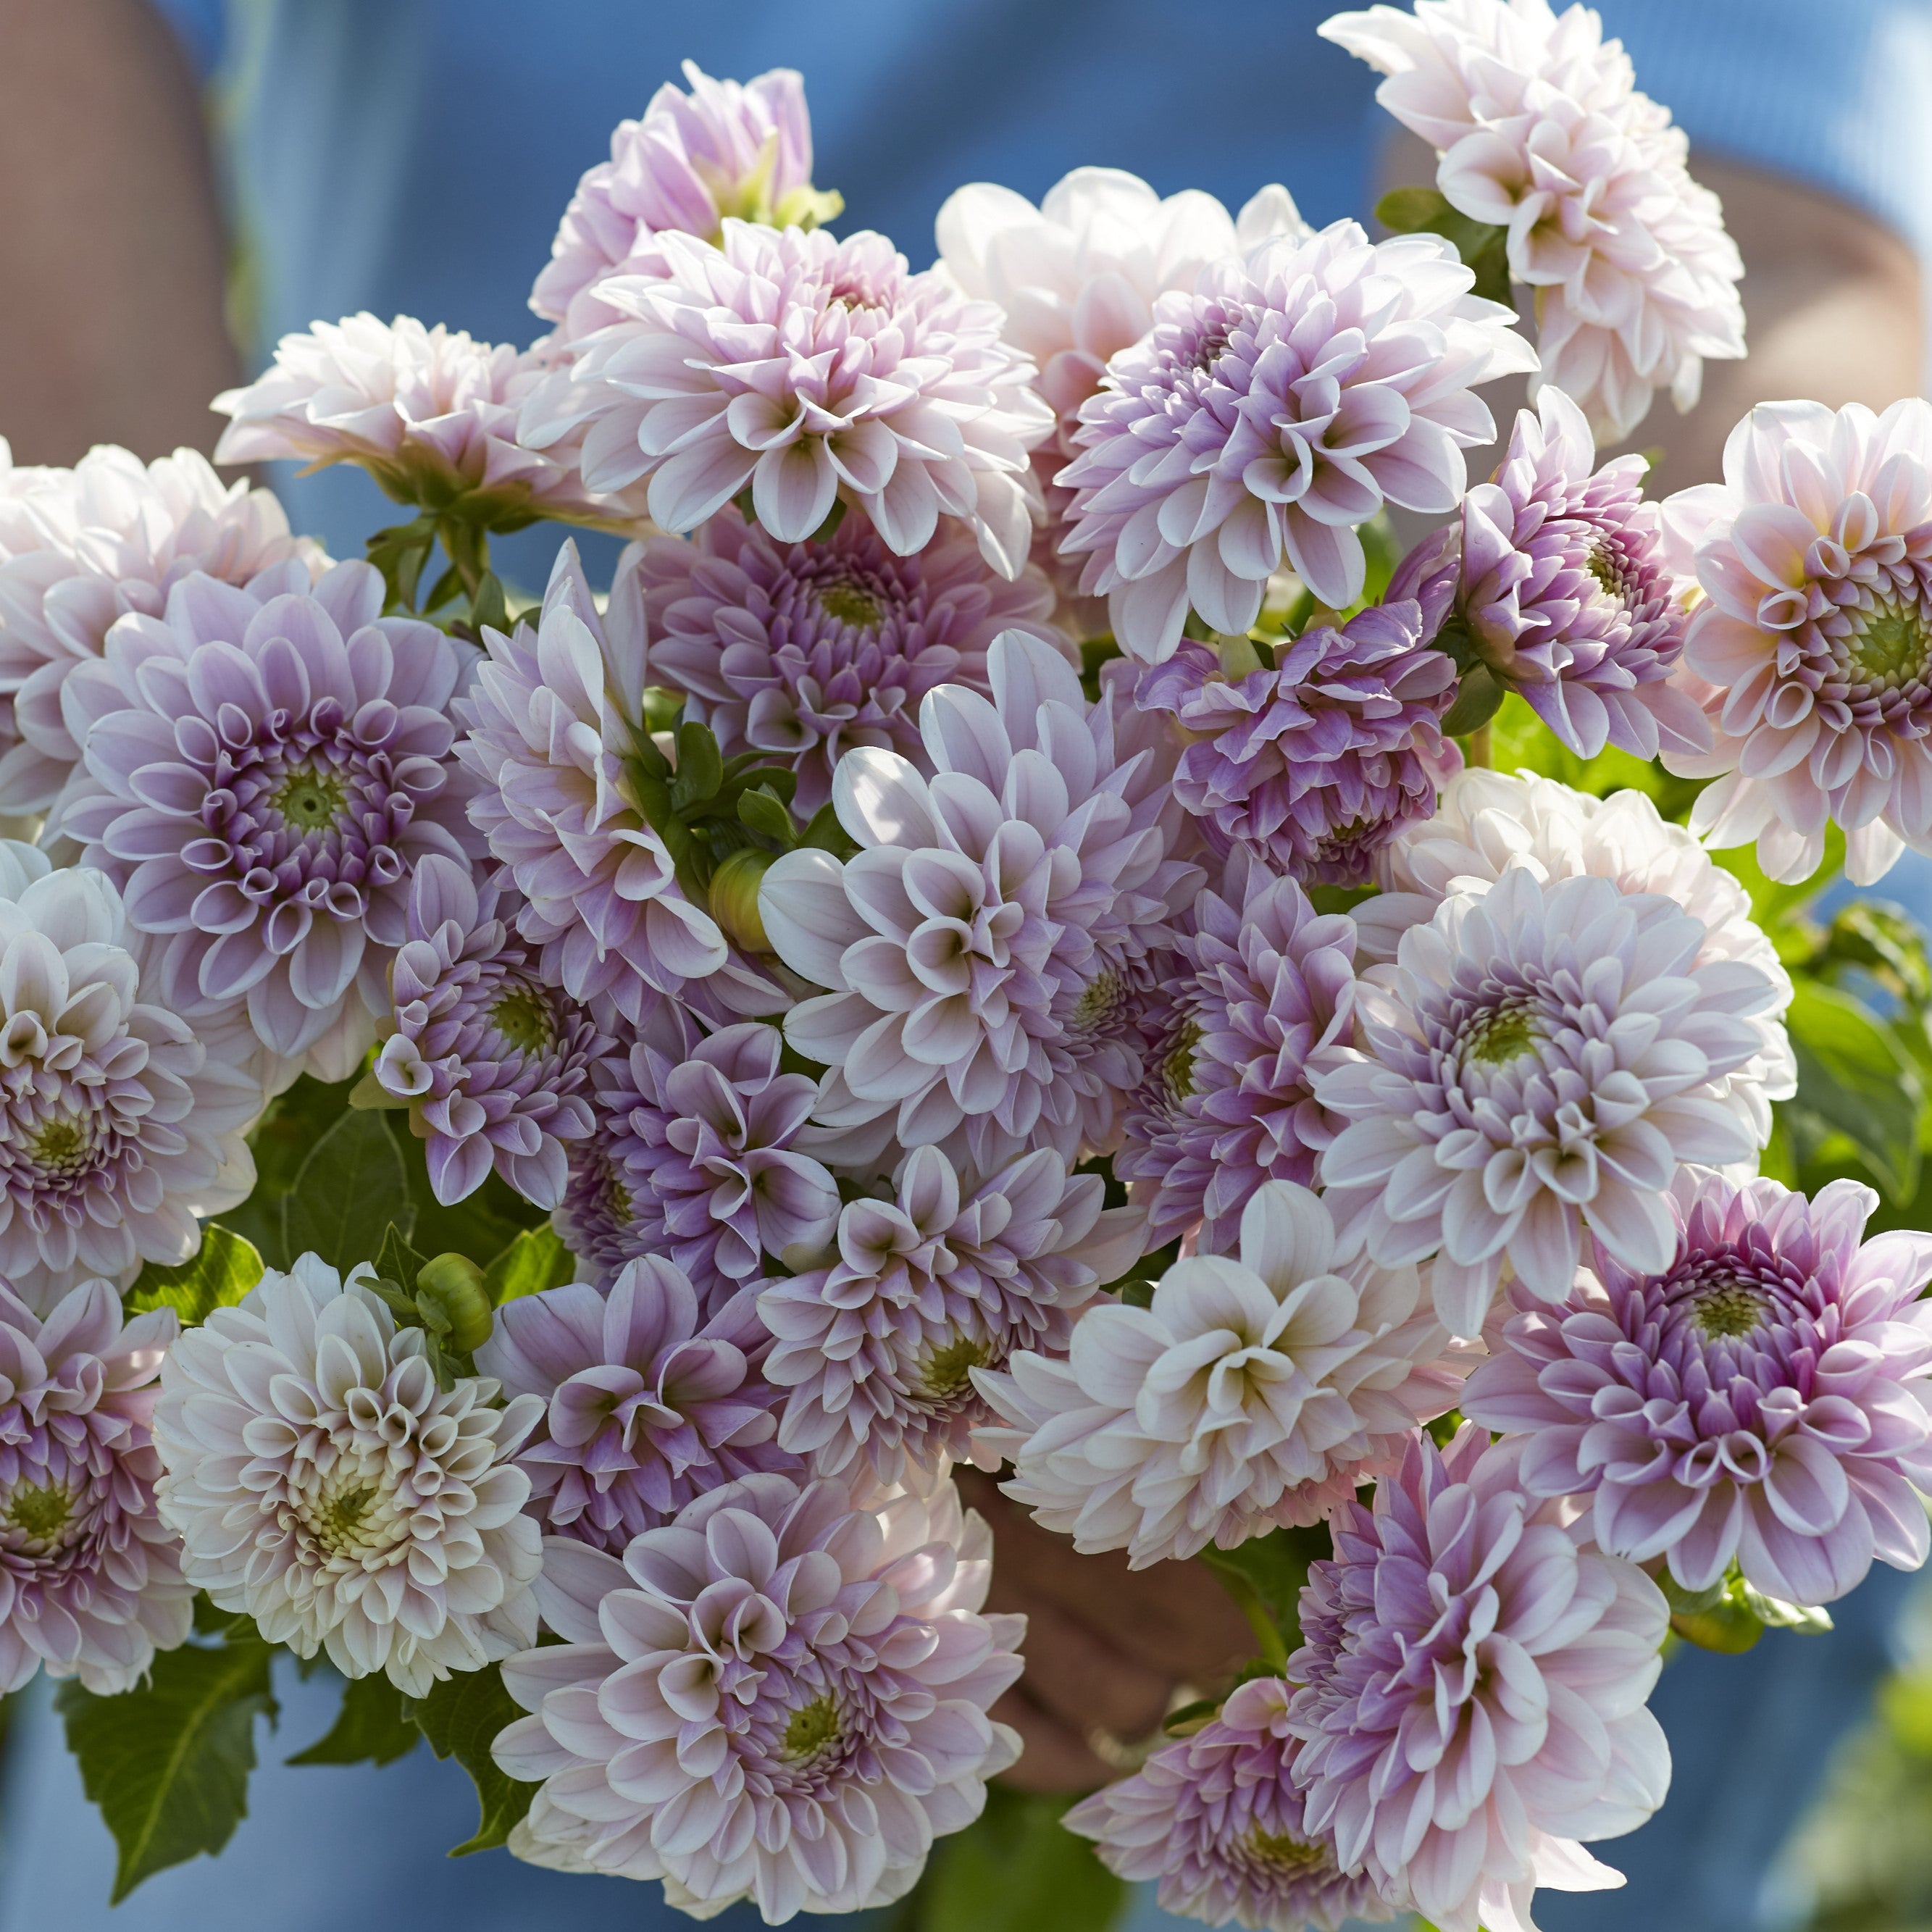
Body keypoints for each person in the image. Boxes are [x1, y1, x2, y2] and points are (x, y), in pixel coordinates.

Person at [0, 4, 1930, 1928]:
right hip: (468, 822)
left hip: (1315, 852)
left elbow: (1769, 228)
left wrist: (1299, 1466)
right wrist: (165, 663)